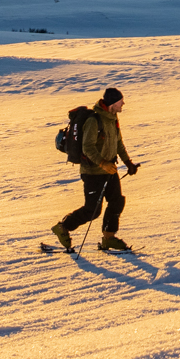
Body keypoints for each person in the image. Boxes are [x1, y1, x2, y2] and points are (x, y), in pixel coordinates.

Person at [52, 86, 140, 252]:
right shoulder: (94, 120)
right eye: (121, 101)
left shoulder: (112, 119)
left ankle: (109, 238)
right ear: (113, 103)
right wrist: (102, 163)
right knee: (92, 210)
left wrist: (128, 162)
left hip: (110, 171)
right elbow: (87, 147)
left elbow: (118, 143)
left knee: (116, 202)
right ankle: (63, 227)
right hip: (93, 172)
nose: (123, 104)